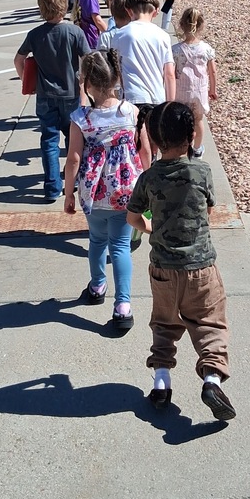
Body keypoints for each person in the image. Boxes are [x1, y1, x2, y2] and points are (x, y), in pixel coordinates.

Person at [127, 102, 235, 421]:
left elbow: (133, 217)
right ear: (191, 135)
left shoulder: (148, 178)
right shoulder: (201, 172)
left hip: (162, 268)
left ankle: (161, 383)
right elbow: (209, 212)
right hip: (201, 267)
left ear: (155, 141)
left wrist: (152, 228)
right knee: (209, 323)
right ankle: (212, 380)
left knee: (163, 325)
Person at [64, 50, 143, 332]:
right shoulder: (130, 112)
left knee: (97, 241)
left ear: (85, 82)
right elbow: (141, 151)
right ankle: (123, 306)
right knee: (121, 247)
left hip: (94, 191)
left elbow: (74, 158)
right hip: (125, 191)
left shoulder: (81, 119)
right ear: (117, 77)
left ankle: (97, 286)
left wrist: (69, 193)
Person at [15, 0, 89, 202]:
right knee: (73, 140)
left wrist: (26, 81)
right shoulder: (74, 32)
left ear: (41, 8)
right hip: (71, 94)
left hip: (45, 95)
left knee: (48, 141)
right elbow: (87, 59)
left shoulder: (34, 34)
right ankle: (72, 180)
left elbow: (19, 59)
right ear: (64, 5)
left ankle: (51, 187)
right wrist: (84, 85)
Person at [107, 0, 174, 106]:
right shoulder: (163, 36)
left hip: (132, 97)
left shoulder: (120, 35)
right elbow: (169, 74)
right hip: (158, 97)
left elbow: (114, 68)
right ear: (156, 11)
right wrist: (170, 105)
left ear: (128, 11)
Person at [172, 7, 218, 158]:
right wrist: (213, 89)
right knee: (198, 120)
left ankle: (182, 147)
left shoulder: (176, 50)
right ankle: (197, 148)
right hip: (199, 91)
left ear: (181, 25)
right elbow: (212, 71)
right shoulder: (206, 49)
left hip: (180, 91)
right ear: (201, 25)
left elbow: (171, 73)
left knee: (181, 121)